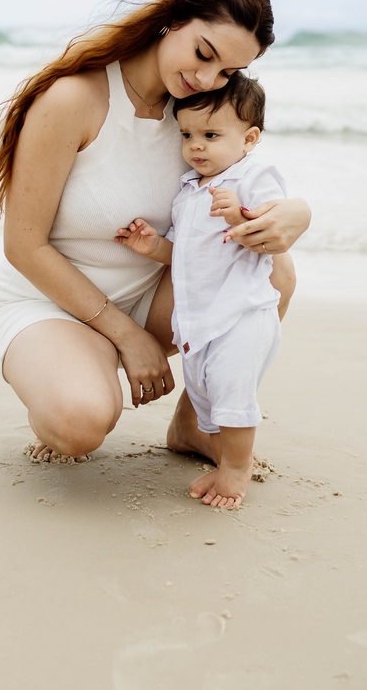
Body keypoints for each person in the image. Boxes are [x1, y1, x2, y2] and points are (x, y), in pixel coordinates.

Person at [0, 0, 311, 464]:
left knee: (274, 270)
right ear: (171, 19)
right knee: (78, 424)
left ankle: (195, 423)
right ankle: (67, 376)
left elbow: (246, 177)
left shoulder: (194, 112)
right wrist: (127, 336)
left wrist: (297, 212)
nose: (207, 80)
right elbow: (23, 245)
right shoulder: (75, 98)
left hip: (151, 298)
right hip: (51, 302)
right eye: (203, 53)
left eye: (226, 73)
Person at [115, 74, 285, 508]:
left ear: (249, 139)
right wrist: (152, 246)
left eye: (210, 135)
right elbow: (186, 256)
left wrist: (240, 216)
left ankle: (235, 471)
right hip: (198, 322)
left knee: (233, 395)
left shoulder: (253, 176)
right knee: (210, 398)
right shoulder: (189, 192)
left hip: (241, 314)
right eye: (187, 135)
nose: (196, 146)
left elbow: (272, 223)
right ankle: (209, 447)